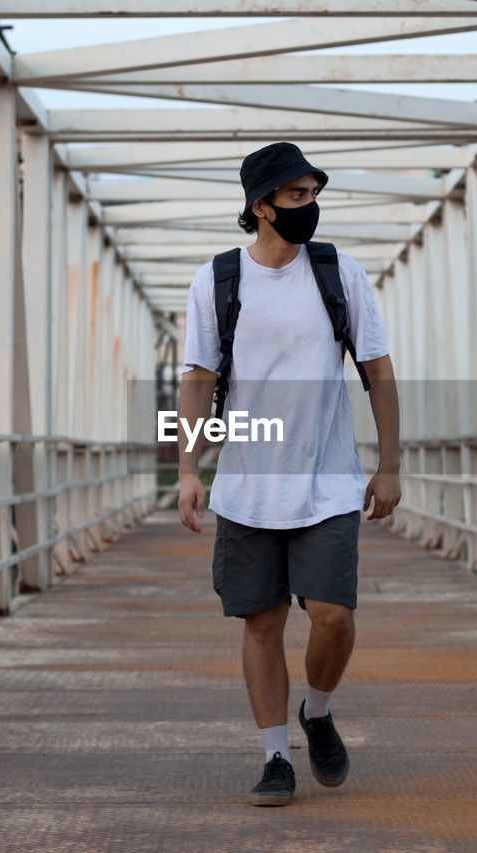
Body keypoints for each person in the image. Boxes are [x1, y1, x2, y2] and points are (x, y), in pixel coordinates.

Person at [176, 142, 401, 807]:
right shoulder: (217, 281)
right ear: (260, 206)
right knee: (262, 622)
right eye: (297, 196)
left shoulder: (339, 273)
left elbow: (379, 370)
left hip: (327, 478)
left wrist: (390, 464)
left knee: (333, 615)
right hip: (247, 483)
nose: (310, 206)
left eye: (313, 193)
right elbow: (198, 379)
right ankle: (276, 755)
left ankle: (320, 709)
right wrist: (189, 466)